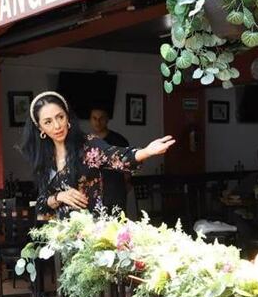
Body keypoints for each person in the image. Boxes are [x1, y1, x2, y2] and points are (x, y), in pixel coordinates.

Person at [20, 91, 175, 220]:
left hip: (94, 234)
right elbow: (40, 204)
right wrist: (59, 197)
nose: (57, 125)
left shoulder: (87, 145)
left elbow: (116, 156)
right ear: (40, 128)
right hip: (63, 238)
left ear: (67, 117)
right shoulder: (45, 158)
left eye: (60, 117)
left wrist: (146, 151)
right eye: (48, 122)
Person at [88, 106, 131, 213]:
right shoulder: (86, 141)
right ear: (90, 120)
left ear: (107, 120)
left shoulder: (119, 140)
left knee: (117, 227)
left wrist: (126, 184)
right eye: (94, 118)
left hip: (115, 190)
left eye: (101, 118)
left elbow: (127, 166)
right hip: (93, 193)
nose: (98, 122)